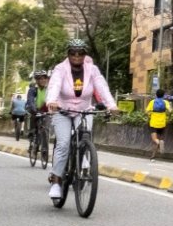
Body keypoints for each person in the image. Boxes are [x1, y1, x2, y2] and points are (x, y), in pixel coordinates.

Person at [45, 39, 118, 199]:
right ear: (68, 54)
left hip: (84, 110)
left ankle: (84, 157)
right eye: (73, 53)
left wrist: (111, 105)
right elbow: (54, 85)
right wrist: (52, 101)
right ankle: (56, 181)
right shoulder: (60, 69)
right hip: (62, 110)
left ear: (85, 55)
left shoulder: (92, 69)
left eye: (80, 53)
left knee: (85, 135)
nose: (77, 56)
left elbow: (102, 87)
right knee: (63, 144)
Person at [25, 69, 50, 142]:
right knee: (33, 117)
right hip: (35, 109)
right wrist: (34, 109)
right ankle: (32, 133)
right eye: (40, 78)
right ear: (36, 80)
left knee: (46, 127)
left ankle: (44, 145)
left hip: (46, 110)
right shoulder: (33, 89)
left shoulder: (49, 89)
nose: (43, 80)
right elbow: (30, 100)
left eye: (44, 78)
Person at [147, 88, 171, 160]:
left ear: (156, 95)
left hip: (153, 123)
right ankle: (153, 156)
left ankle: (158, 144)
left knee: (155, 140)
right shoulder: (165, 102)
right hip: (162, 123)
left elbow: (147, 112)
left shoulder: (152, 102)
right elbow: (170, 110)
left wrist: (150, 115)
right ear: (163, 95)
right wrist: (168, 117)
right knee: (159, 139)